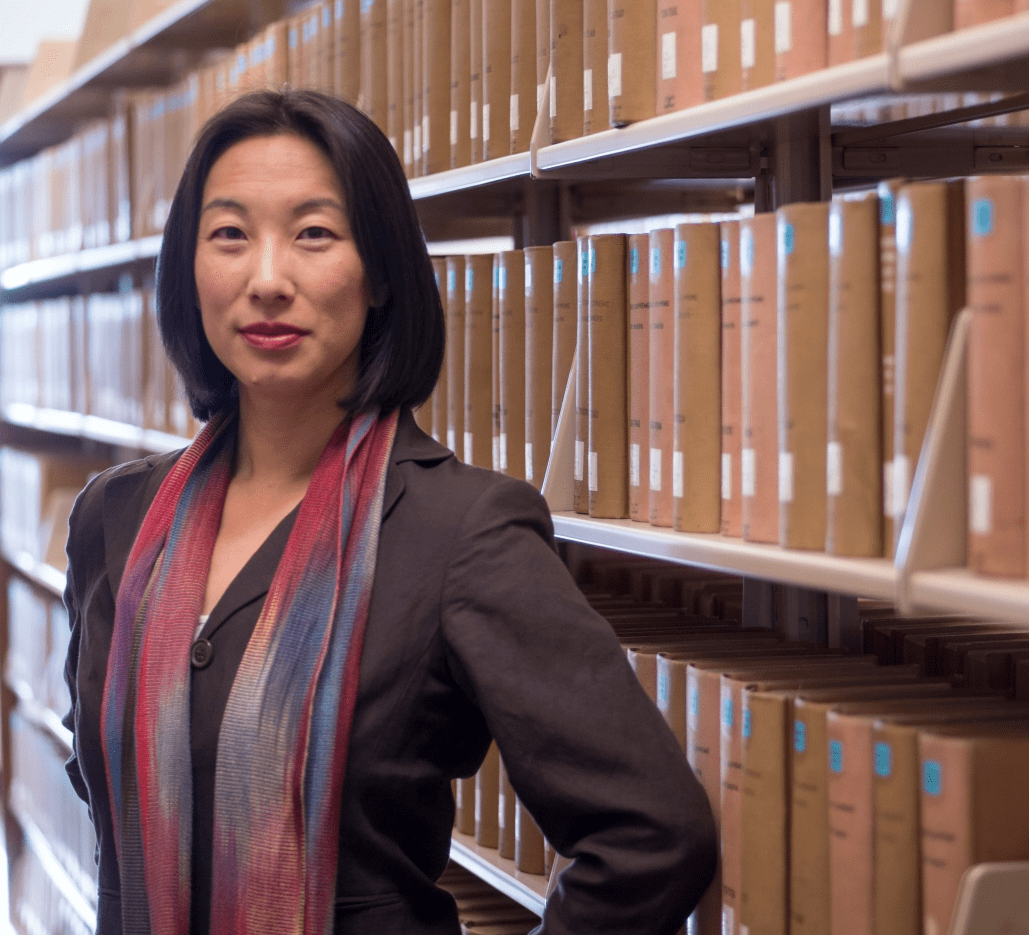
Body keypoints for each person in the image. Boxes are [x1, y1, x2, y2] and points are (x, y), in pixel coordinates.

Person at [62, 88, 716, 935]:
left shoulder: (464, 530)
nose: (267, 279)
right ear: (188, 270)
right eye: (229, 235)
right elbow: (103, 775)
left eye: (313, 234)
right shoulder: (113, 518)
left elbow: (653, 832)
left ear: (378, 273)